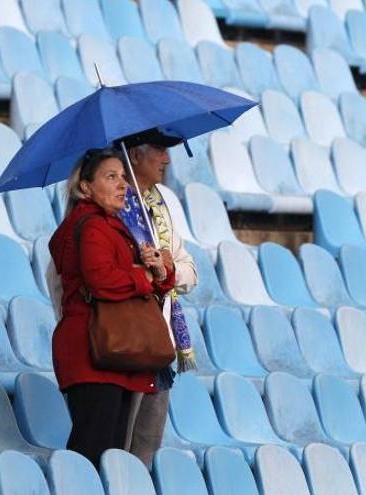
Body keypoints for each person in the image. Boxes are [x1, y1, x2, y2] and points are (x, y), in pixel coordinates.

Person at [48, 148, 176, 467]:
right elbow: (102, 280)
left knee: (110, 458)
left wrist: (160, 269)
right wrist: (144, 274)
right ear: (85, 187)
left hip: (109, 355)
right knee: (93, 455)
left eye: (122, 177)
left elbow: (139, 281)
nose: (123, 185)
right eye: (111, 177)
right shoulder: (91, 225)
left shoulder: (110, 224)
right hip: (94, 351)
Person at [118, 129, 199, 468]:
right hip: (124, 340)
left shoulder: (160, 202)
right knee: (116, 448)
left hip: (160, 339)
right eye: (160, 152)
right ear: (135, 154)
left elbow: (190, 273)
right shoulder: (111, 204)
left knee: (146, 450)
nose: (167, 159)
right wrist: (148, 270)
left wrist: (166, 270)